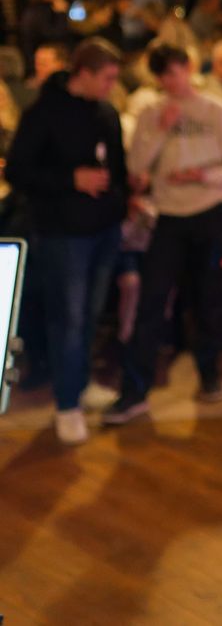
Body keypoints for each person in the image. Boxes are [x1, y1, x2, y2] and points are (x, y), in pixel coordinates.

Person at [104, 44, 222, 425]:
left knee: (211, 298)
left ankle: (209, 373)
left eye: (173, 71)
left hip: (211, 213)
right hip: (168, 216)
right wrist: (159, 131)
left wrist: (203, 175)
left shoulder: (215, 110)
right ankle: (135, 390)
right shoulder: (150, 113)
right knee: (152, 301)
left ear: (188, 67)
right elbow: (136, 168)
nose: (169, 80)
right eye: (162, 75)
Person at [6, 38, 126, 445]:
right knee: (68, 320)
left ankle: (81, 384)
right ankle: (66, 404)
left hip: (104, 228)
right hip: (63, 234)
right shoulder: (44, 112)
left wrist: (125, 197)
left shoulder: (106, 112)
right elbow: (19, 171)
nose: (112, 86)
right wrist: (70, 179)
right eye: (106, 78)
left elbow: (117, 166)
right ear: (84, 74)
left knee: (90, 317)